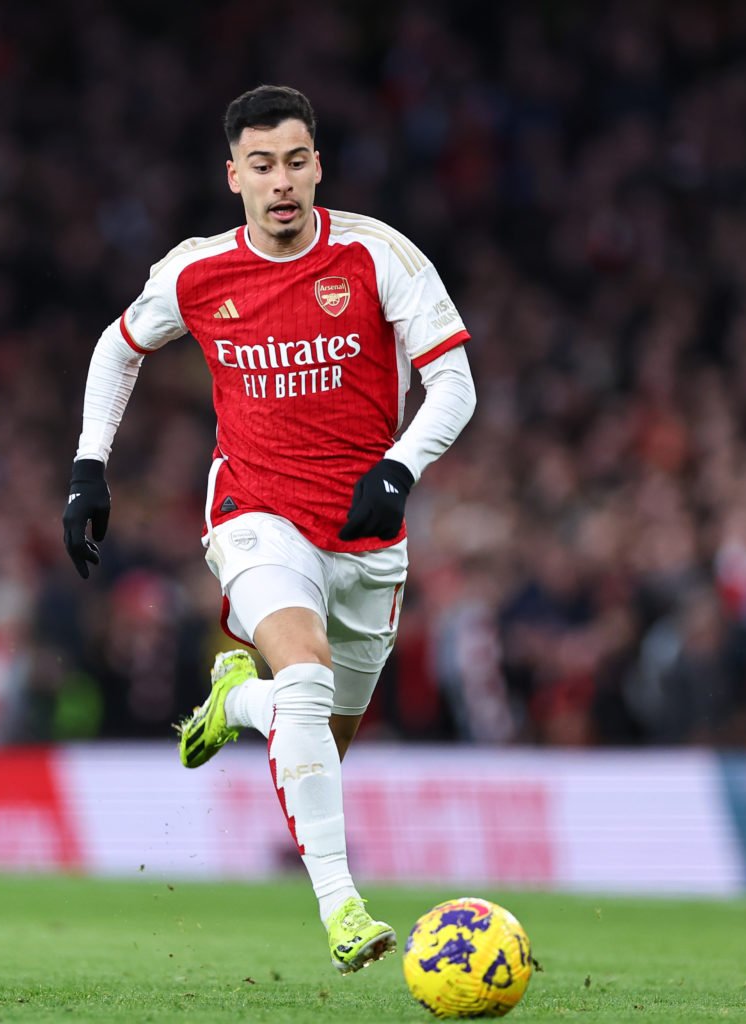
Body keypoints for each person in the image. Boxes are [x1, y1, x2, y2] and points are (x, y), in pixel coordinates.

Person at [62, 85, 475, 973]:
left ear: (317, 165)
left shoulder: (377, 255)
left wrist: (400, 467)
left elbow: (456, 383)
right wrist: (90, 464)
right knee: (309, 675)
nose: (280, 182)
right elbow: (117, 346)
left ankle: (236, 699)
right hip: (256, 512)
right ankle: (344, 911)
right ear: (234, 176)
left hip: (368, 535)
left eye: (295, 161)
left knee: (313, 735)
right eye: (262, 166)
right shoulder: (198, 272)